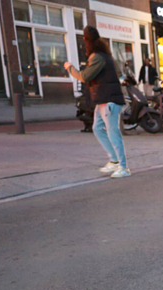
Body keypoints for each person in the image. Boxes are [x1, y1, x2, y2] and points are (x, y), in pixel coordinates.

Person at [64, 26, 130, 178]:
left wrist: (70, 68)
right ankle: (114, 161)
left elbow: (84, 76)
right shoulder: (102, 56)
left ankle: (123, 167)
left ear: (87, 41)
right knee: (97, 128)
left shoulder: (97, 58)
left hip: (109, 100)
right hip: (103, 99)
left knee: (113, 133)